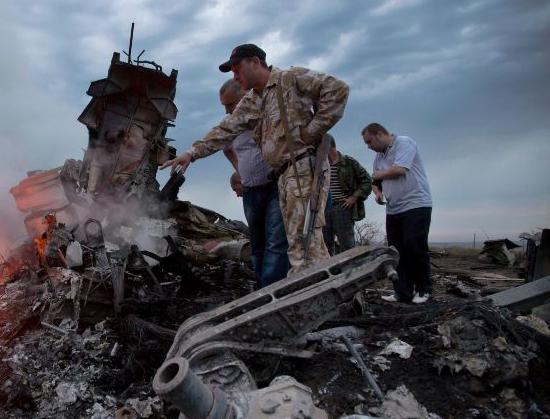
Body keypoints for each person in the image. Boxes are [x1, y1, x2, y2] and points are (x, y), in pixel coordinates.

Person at [160, 44, 350, 274]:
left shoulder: (290, 78)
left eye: (237, 68)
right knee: (305, 241)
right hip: (284, 175)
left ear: (255, 62)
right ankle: (331, 291)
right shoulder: (253, 100)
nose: (235, 75)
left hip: (303, 166)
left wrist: (312, 130)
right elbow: (225, 129)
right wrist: (192, 153)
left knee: (303, 240)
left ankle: (305, 296)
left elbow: (338, 89)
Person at [220, 79, 289, 287]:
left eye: (230, 104)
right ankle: (261, 289)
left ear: (246, 95)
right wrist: (240, 169)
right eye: (224, 105)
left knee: (276, 242)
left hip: (274, 187)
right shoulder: (229, 123)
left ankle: (274, 291)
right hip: (250, 189)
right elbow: (225, 148)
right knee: (257, 243)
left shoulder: (267, 113)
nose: (227, 109)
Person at [361, 123, 433, 304]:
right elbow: (375, 179)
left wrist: (380, 173)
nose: (368, 146)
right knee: (396, 251)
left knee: (415, 247)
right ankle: (403, 292)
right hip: (393, 208)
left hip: (415, 204)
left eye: (369, 141)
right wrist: (377, 193)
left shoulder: (403, 143)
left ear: (379, 134)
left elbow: (399, 170)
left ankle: (424, 289)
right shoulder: (379, 155)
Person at [323, 136, 372, 255]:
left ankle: (353, 270)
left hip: (342, 206)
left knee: (347, 244)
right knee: (324, 246)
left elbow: (367, 180)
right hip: (323, 208)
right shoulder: (320, 165)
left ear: (329, 146)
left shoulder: (349, 162)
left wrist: (354, 197)